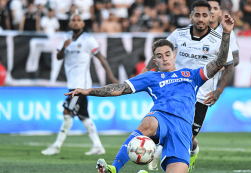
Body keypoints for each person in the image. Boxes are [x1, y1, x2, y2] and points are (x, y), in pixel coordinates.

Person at [66, 12, 233, 171]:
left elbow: (220, 62)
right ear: (155, 60)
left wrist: (226, 33)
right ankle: (113, 168)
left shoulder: (191, 74)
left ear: (175, 55)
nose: (164, 58)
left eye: (167, 54)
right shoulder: (151, 77)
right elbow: (119, 89)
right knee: (147, 124)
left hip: (183, 128)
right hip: (161, 117)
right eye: (159, 56)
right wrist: (88, 91)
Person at [143, 0, 237, 171]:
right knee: (173, 134)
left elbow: (230, 66)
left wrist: (218, 91)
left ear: (210, 17)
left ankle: (190, 151)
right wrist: (145, 71)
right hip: (175, 92)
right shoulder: (179, 34)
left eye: (204, 15)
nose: (200, 19)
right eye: (197, 15)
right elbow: (161, 51)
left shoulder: (219, 39)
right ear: (191, 16)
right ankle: (178, 154)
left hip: (201, 97)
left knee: (187, 137)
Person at [41, 12, 119, 156]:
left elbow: (101, 58)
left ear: (83, 24)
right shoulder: (66, 37)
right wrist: (64, 47)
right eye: (73, 20)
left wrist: (111, 77)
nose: (76, 22)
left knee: (67, 112)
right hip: (72, 84)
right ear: (70, 23)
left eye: (79, 20)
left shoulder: (88, 39)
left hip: (80, 86)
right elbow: (58, 57)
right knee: (83, 115)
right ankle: (98, 146)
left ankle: (56, 146)